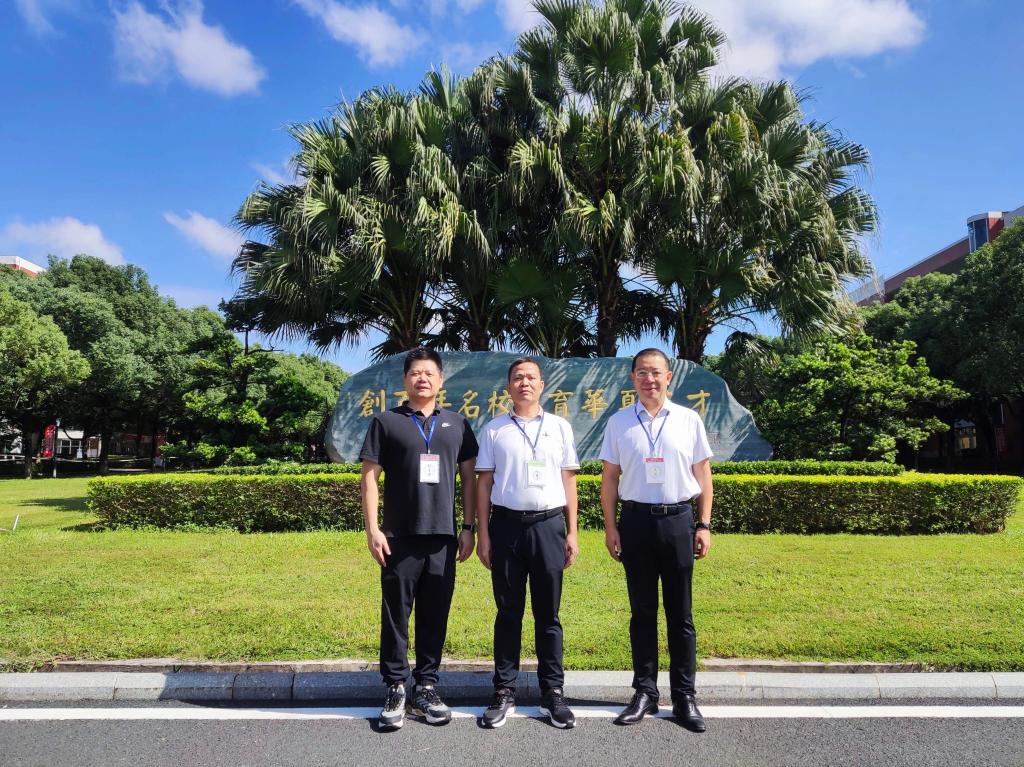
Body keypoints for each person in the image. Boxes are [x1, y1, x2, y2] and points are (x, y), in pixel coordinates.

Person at [359, 348, 479, 731]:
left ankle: (426, 686)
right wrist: (373, 529)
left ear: (440, 381)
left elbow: (470, 479)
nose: (422, 378)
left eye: (429, 373)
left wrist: (469, 527)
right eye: (415, 373)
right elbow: (369, 479)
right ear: (405, 380)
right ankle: (395, 686)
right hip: (398, 536)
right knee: (396, 613)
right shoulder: (386, 422)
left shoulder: (457, 424)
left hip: (443, 537)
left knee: (434, 614)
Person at [599, 348, 714, 731]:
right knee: (643, 613)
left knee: (681, 614)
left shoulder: (687, 420)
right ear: (633, 378)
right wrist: (611, 527)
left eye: (656, 373)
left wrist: (703, 524)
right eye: (642, 373)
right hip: (635, 522)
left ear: (669, 378)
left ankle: (684, 697)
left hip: (679, 521)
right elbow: (610, 478)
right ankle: (645, 692)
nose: (649, 379)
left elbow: (703, 474)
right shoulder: (618, 422)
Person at [475, 357, 580, 729]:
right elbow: (484, 484)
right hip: (506, 528)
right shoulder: (494, 430)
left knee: (549, 615)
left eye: (531, 377)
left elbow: (569, 481)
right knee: (508, 613)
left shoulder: (559, 427)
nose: (524, 383)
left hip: (549, 526)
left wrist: (572, 531)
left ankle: (553, 692)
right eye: (518, 378)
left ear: (542, 385)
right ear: (508, 387)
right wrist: (484, 535)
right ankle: (504, 690)